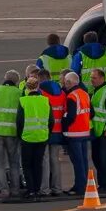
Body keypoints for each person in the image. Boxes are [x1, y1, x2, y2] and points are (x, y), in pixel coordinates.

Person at [0, 70, 23, 199]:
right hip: (12, 132)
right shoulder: (19, 93)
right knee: (14, 163)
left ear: (4, 78)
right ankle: (15, 190)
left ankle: (4, 190)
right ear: (17, 81)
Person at [17, 75, 51, 200]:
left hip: (27, 138)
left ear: (27, 87)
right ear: (38, 86)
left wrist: (20, 135)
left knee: (27, 165)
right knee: (38, 164)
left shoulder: (23, 101)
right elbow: (51, 120)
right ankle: (37, 189)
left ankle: (30, 190)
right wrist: (47, 133)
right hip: (42, 137)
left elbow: (19, 121)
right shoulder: (45, 100)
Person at [61, 71, 93, 195]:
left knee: (77, 161)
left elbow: (71, 116)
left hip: (74, 133)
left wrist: (64, 124)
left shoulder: (71, 97)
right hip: (85, 132)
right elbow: (92, 113)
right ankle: (83, 184)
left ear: (69, 82)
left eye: (65, 82)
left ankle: (80, 187)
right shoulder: (85, 94)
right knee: (83, 161)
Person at [38, 68, 66, 196]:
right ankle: (57, 188)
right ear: (49, 77)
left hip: (45, 130)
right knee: (55, 160)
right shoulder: (61, 91)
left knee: (45, 160)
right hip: (58, 129)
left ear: (40, 79)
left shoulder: (41, 92)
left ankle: (45, 189)